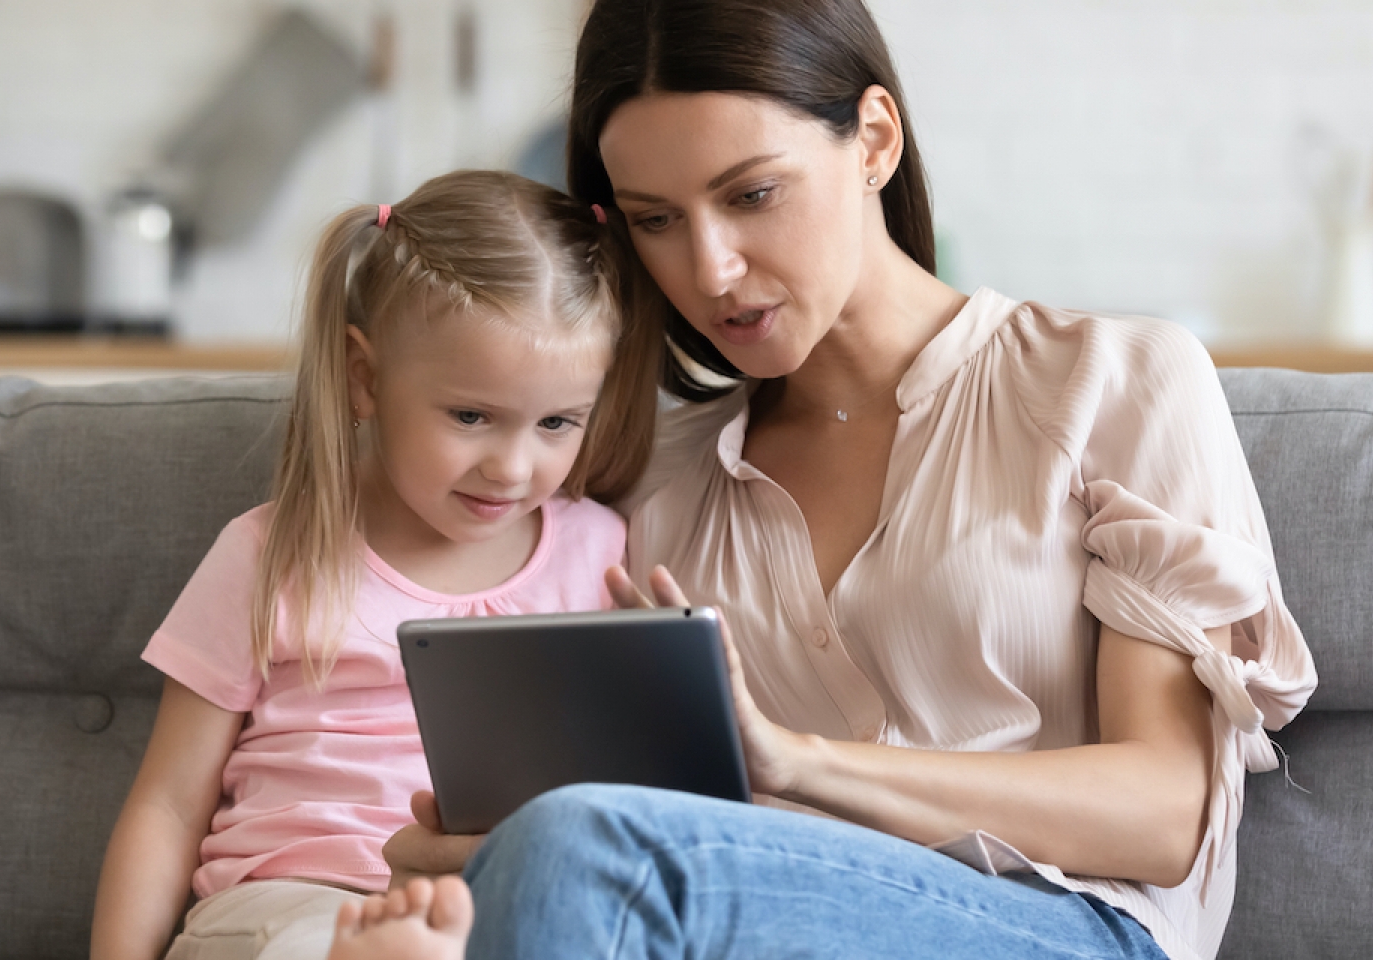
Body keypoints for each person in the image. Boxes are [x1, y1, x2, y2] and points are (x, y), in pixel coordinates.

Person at [377, 1, 1319, 959]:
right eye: (656, 220)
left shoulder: (1111, 382)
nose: (710, 269)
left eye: (750, 195)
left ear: (873, 139)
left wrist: (800, 766)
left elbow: (1164, 814)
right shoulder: (652, 483)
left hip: (1072, 929)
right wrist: (485, 851)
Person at [88, 169, 661, 960]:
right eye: (471, 416)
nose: (512, 467)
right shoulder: (272, 553)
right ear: (365, 379)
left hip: (491, 911)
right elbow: (167, 807)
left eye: (557, 422)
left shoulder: (602, 555)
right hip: (284, 911)